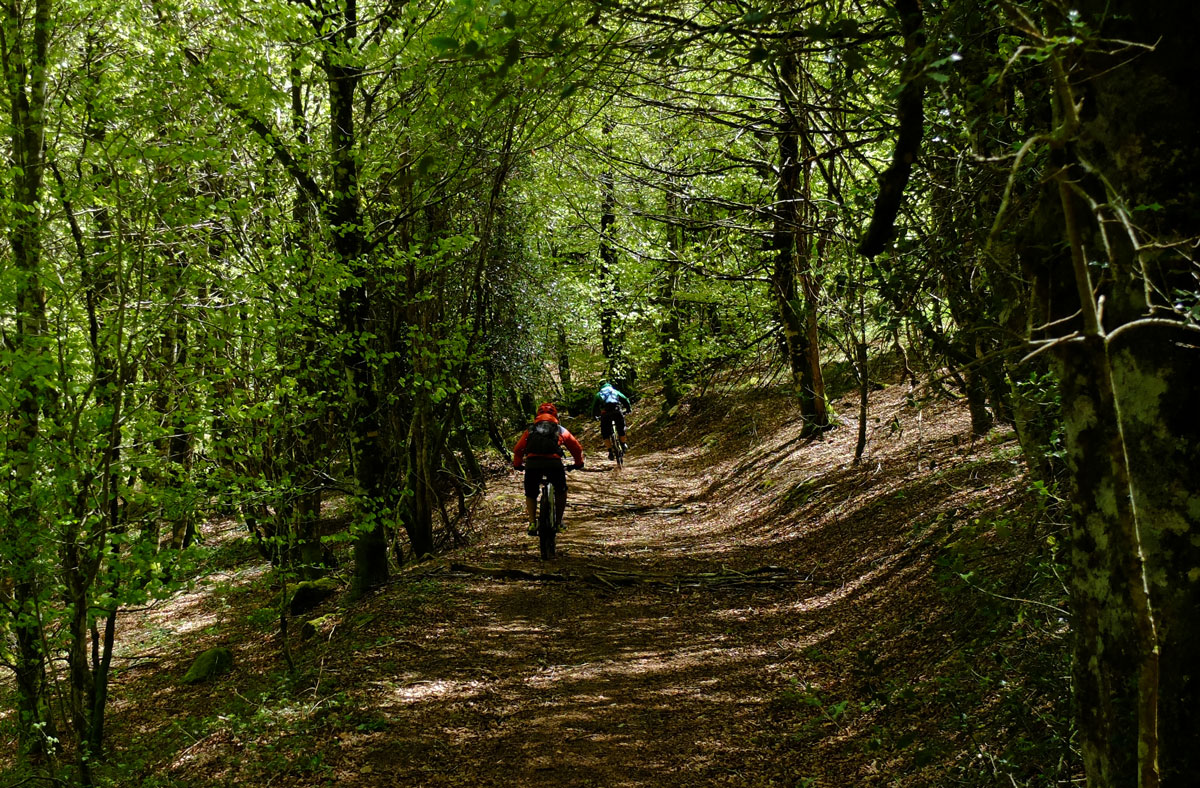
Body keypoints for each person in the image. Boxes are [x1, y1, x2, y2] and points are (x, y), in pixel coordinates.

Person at [512, 402, 584, 535]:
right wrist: (578, 463)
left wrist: (517, 464)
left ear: (537, 415)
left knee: (531, 493)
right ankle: (558, 523)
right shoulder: (560, 429)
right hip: (553, 464)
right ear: (555, 415)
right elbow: (576, 447)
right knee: (561, 490)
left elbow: (518, 449)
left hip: (533, 464)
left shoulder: (530, 430)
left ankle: (532, 523)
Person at [590, 381, 632, 460]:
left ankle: (610, 452)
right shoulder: (614, 391)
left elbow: (594, 407)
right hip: (617, 411)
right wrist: (628, 409)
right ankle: (623, 444)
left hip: (605, 414)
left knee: (605, 433)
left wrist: (594, 416)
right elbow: (625, 399)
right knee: (621, 428)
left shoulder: (599, 394)